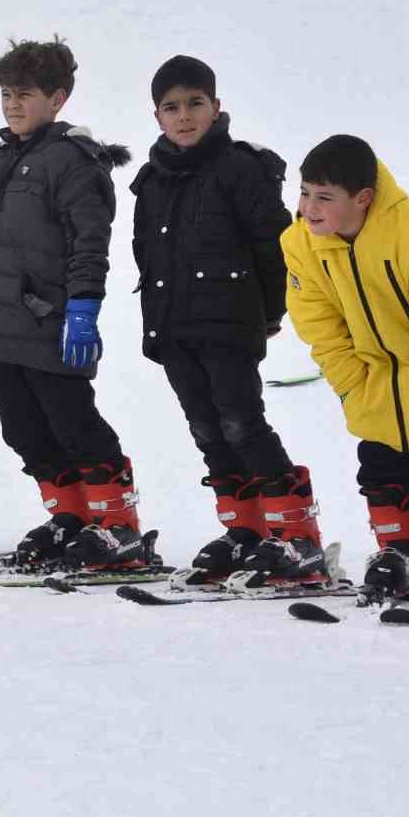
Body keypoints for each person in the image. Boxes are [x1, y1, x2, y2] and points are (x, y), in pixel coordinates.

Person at [0, 38, 150, 571]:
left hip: (48, 321)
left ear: (58, 99)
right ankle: (72, 519)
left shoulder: (72, 160)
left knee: (74, 424)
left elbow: (90, 242)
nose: (13, 104)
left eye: (26, 94)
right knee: (22, 428)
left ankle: (116, 525)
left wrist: (83, 308)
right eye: (7, 94)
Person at [132, 55, 327, 584]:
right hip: (174, 329)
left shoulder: (240, 168)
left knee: (242, 424)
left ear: (216, 107)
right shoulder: (150, 179)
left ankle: (295, 533)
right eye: (172, 107)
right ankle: (246, 530)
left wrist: (268, 313)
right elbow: (145, 251)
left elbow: (273, 246)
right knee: (207, 429)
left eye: (196, 103)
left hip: (229, 322)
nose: (184, 116)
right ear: (157, 116)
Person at [281, 134, 409, 597]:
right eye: (305, 192)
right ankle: (400, 554)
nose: (309, 207)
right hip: (374, 376)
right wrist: (352, 386)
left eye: (325, 197)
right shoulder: (301, 243)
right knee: (381, 462)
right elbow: (319, 325)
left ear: (363, 198)